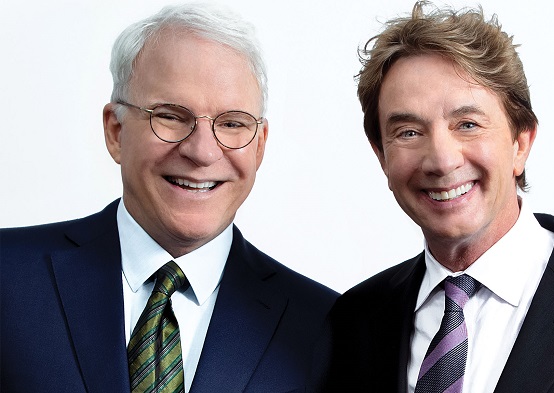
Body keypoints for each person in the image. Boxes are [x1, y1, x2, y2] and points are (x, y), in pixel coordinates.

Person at [323, 2, 554, 392]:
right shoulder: (354, 321)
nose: (441, 160)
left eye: (467, 124)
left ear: (521, 142)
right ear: (381, 155)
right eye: (408, 132)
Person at [0, 3, 337, 393]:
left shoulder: (326, 327)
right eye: (171, 116)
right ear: (115, 131)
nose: (202, 152)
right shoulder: (8, 275)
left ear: (259, 146)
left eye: (231, 124)